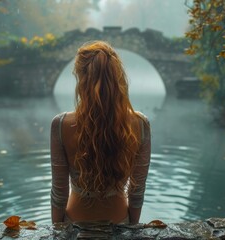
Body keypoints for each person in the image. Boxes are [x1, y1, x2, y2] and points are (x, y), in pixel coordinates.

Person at [50, 41, 151, 224]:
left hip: (73, 224)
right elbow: (136, 191)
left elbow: (59, 191)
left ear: (81, 79)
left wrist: (57, 230)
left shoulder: (61, 125)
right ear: (117, 78)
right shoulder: (140, 124)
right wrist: (132, 227)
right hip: (119, 223)